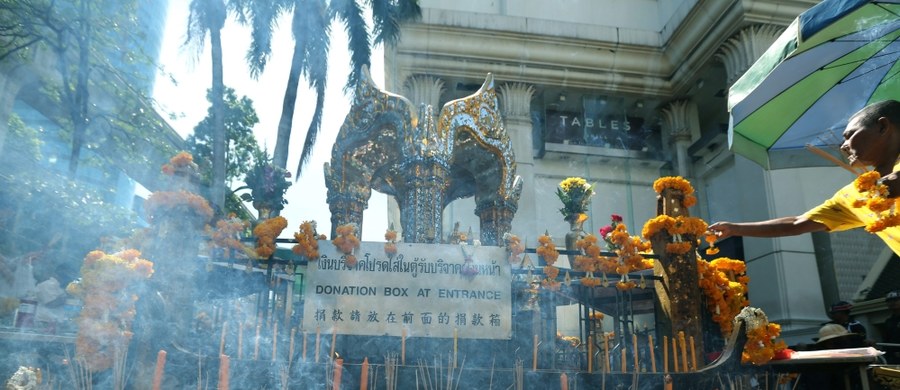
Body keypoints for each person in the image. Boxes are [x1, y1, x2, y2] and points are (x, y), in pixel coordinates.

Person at [708, 100, 900, 255]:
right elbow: (797, 223)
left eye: (850, 135)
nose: (843, 146)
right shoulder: (856, 194)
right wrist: (734, 229)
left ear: (883, 127)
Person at [882, 290, 900, 363]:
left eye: (895, 300)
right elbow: (886, 340)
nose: (892, 303)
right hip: (892, 359)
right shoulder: (888, 322)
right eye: (889, 301)